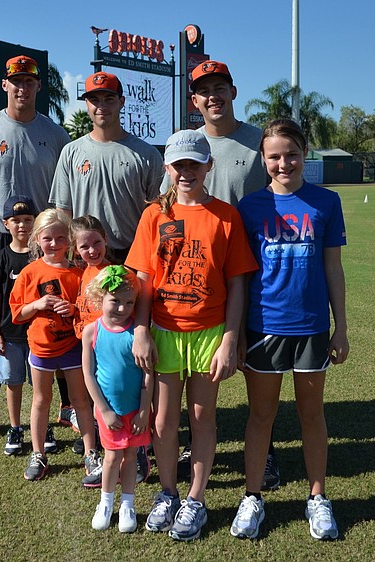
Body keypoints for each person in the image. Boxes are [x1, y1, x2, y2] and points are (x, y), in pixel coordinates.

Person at [126, 129, 258, 541]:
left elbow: (237, 284)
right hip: (164, 330)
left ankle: (196, 499)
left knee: (202, 418)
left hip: (209, 332)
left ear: (208, 166)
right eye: (178, 165)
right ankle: (168, 493)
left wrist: (230, 340)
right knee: (164, 422)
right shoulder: (154, 215)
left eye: (194, 164)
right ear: (167, 168)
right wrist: (142, 329)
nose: (186, 172)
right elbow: (145, 279)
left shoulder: (226, 216)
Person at [231, 119, 349, 541]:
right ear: (263, 160)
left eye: (292, 154)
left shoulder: (326, 202)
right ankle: (253, 497)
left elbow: (333, 268)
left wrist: (341, 328)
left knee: (311, 414)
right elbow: (241, 278)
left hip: (313, 328)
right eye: (275, 156)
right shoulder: (249, 207)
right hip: (264, 327)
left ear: (305, 153)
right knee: (261, 416)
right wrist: (239, 332)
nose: (284, 163)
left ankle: (317, 498)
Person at [174, 59, 280, 490]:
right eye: (205, 90)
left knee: (253, 364)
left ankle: (266, 449)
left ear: (233, 92)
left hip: (251, 270)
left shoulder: (258, 141)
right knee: (190, 363)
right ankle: (191, 442)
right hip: (194, 275)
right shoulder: (186, 142)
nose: (213, 95)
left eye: (221, 87)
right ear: (194, 100)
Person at [0, 55, 70, 444]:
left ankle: (66, 405)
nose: (22, 87)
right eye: (15, 81)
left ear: (39, 87)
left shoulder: (55, 135)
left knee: (54, 318)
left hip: (44, 240)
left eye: (29, 81)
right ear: (5, 85)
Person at [9, 209, 102, 485]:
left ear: (69, 241)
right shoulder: (29, 273)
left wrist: (72, 308)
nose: (54, 244)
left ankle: (91, 451)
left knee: (80, 400)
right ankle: (38, 454)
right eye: (48, 238)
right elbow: (16, 312)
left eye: (61, 238)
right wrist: (37, 305)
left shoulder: (79, 273)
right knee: (41, 400)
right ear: (37, 240)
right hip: (41, 348)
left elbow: (88, 309)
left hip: (73, 347)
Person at [49, 71, 164, 263]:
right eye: (94, 100)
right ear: (87, 104)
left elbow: (157, 211)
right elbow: (64, 212)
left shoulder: (147, 154)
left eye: (109, 99)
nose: (101, 106)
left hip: (132, 254)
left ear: (121, 102)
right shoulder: (71, 152)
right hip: (84, 256)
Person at [71, 216, 152, 483]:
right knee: (103, 403)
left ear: (106, 240)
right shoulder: (85, 273)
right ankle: (107, 455)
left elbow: (133, 303)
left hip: (120, 345)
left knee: (124, 401)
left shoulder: (115, 274)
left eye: (97, 243)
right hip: (94, 346)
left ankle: (137, 453)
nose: (92, 250)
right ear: (75, 249)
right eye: (85, 247)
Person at [82, 266, 153, 533]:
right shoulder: (92, 332)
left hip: (134, 411)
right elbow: (89, 375)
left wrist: (144, 412)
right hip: (108, 411)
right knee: (112, 457)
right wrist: (104, 410)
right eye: (115, 301)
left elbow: (148, 376)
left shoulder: (138, 333)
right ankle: (106, 502)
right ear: (101, 297)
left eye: (129, 303)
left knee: (132, 456)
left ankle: (127, 504)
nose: (122, 309)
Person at [0, 195, 38, 456]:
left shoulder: (42, 257)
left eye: (28, 220)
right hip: (11, 335)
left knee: (40, 385)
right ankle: (15, 427)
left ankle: (42, 426)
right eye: (16, 221)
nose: (22, 226)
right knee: (13, 383)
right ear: (5, 224)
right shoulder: (1, 258)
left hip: (39, 335)